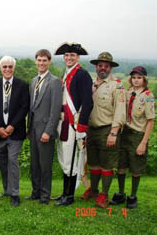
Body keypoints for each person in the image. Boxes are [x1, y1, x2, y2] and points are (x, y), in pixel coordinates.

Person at [81, 52, 126, 208]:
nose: (103, 68)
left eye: (106, 66)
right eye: (100, 65)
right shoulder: (91, 83)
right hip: (91, 129)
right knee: (93, 163)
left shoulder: (116, 85)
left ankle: (104, 195)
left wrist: (114, 132)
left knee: (107, 165)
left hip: (107, 130)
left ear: (110, 68)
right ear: (96, 66)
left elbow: (120, 110)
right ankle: (93, 190)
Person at [53, 43, 93, 206]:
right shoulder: (67, 73)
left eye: (72, 56)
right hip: (63, 121)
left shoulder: (82, 74)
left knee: (70, 159)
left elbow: (88, 102)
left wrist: (82, 127)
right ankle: (64, 192)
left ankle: (69, 196)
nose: (69, 58)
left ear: (78, 58)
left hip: (73, 123)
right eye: (67, 56)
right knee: (63, 158)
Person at [110, 66, 155, 209]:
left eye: (139, 78)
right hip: (125, 132)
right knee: (121, 166)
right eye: (134, 78)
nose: (136, 80)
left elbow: (150, 121)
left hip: (138, 135)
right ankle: (121, 193)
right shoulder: (127, 92)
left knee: (136, 168)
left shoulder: (148, 96)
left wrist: (143, 142)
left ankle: (133, 196)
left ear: (144, 79)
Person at [0, 56, 29, 207]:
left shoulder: (22, 85)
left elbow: (24, 107)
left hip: (15, 132)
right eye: (4, 67)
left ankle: (15, 194)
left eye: (10, 67)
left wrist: (12, 126)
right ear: (0, 68)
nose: (7, 69)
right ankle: (6, 189)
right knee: (3, 162)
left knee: (12, 161)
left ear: (14, 68)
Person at [26, 49, 62, 205]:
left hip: (45, 130)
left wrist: (48, 131)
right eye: (39, 60)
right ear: (35, 61)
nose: (41, 63)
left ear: (49, 62)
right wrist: (28, 129)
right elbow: (31, 108)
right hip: (33, 129)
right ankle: (35, 192)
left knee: (45, 164)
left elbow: (55, 110)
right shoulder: (34, 81)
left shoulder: (54, 81)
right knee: (34, 163)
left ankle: (45, 195)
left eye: (44, 61)